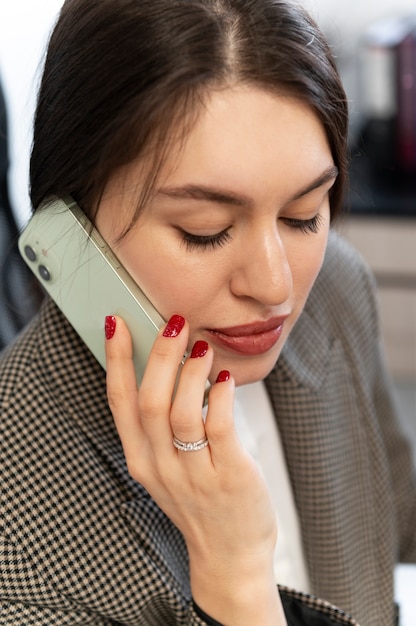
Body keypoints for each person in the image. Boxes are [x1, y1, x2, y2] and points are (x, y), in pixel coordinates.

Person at [0, 0, 415, 624]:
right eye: (205, 230)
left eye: (303, 215)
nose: (276, 286)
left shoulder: (334, 287)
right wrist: (237, 580)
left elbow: (398, 523)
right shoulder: (19, 539)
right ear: (70, 230)